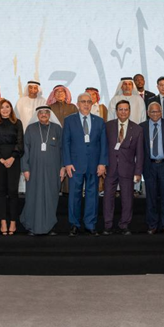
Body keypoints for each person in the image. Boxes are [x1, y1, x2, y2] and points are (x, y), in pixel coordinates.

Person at [62, 92, 108, 236]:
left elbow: (103, 144)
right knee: (74, 196)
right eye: (83, 101)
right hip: (75, 165)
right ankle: (74, 224)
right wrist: (67, 163)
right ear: (78, 104)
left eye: (88, 102)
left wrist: (102, 163)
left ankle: (90, 224)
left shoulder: (99, 121)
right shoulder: (69, 120)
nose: (86, 104)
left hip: (94, 164)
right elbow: (65, 143)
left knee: (92, 195)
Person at [20, 106, 63, 236]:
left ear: (50, 114)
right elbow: (25, 149)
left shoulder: (57, 129)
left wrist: (63, 167)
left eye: (46, 113)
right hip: (34, 170)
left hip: (53, 170)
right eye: (41, 113)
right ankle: (32, 226)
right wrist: (25, 168)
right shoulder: (31, 128)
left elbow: (63, 149)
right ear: (37, 115)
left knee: (51, 198)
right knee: (33, 197)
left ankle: (49, 226)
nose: (43, 115)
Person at [103, 100, 143, 235]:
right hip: (109, 169)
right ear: (116, 111)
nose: (123, 112)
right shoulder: (108, 126)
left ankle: (124, 224)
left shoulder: (137, 129)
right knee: (108, 198)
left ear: (129, 111)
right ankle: (108, 225)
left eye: (126, 109)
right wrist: (102, 164)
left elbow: (140, 153)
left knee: (127, 199)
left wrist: (138, 172)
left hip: (128, 169)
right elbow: (103, 147)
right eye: (120, 109)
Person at [0, 99, 25, 235]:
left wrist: (12, 158)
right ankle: (3, 221)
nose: (5, 109)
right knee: (1, 191)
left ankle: (13, 221)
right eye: (2, 107)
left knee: (13, 191)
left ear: (11, 109)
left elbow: (20, 143)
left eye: (7, 107)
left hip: (14, 159)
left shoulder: (17, 123)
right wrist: (1, 159)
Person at [141, 102, 164, 234]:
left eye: (157, 111)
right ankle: (152, 225)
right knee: (151, 197)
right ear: (148, 113)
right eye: (152, 111)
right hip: (149, 166)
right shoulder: (142, 127)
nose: (155, 114)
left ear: (161, 112)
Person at [48, 85, 78, 195]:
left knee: (69, 164)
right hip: (53, 142)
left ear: (66, 94)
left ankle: (67, 191)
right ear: (54, 95)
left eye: (62, 92)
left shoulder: (72, 108)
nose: (60, 94)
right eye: (57, 92)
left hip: (70, 141)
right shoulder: (49, 108)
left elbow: (77, 124)